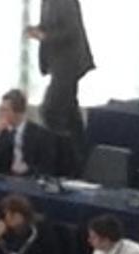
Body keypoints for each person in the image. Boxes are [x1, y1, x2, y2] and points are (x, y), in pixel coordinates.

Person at [27, 0, 95, 158]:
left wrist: (44, 36)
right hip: (57, 64)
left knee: (50, 110)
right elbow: (52, 25)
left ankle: (61, 157)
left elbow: (71, 30)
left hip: (68, 64)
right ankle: (81, 158)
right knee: (70, 114)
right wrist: (37, 30)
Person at [0, 89, 56, 177]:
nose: (0, 114)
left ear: (18, 113)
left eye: (5, 110)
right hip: (4, 178)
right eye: (0, 109)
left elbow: (47, 167)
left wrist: (28, 169)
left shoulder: (40, 134)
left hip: (29, 180)